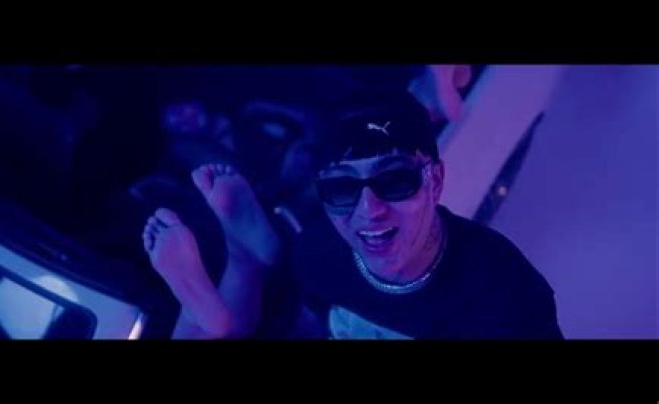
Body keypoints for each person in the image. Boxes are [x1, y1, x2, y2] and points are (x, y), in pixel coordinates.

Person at [142, 88, 563, 340]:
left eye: (394, 180)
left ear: (434, 181)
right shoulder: (322, 250)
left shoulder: (504, 299)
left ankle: (223, 293)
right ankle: (244, 260)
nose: (369, 210)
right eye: (342, 187)